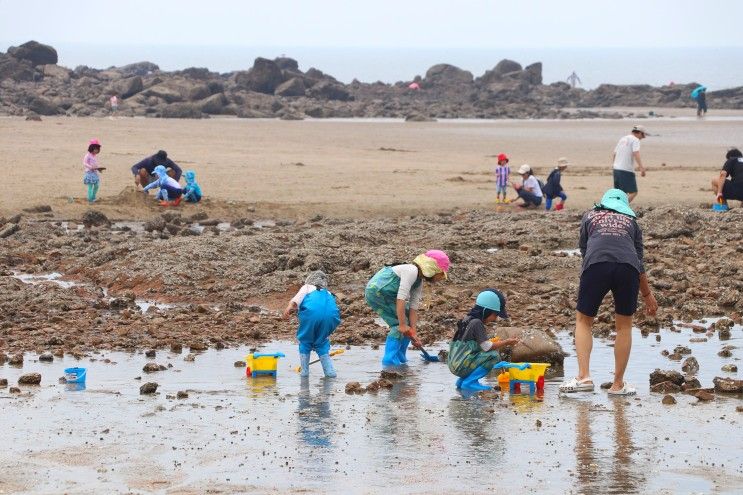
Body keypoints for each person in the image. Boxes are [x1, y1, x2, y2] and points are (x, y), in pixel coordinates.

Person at [559, 189, 658, 396]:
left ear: (603, 203)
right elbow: (639, 263)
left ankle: (584, 377)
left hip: (596, 265)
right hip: (628, 268)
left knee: (583, 321)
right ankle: (617, 385)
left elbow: (585, 251)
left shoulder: (590, 216)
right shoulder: (632, 223)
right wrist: (648, 296)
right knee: (624, 327)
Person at [365, 250, 450, 366]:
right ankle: (389, 360)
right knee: (397, 325)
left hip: (389, 295)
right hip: (377, 292)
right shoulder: (411, 271)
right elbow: (401, 299)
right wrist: (402, 325)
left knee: (408, 325)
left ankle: (400, 355)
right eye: (439, 275)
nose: (439, 279)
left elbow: (413, 308)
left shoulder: (418, 281)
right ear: (432, 268)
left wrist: (413, 331)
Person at [448, 289, 519, 391]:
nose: (495, 319)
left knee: (486, 353)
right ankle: (470, 382)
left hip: (454, 364)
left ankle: (462, 381)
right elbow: (486, 347)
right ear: (486, 311)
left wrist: (493, 342)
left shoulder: (467, 319)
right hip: (461, 366)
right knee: (493, 355)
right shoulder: (477, 323)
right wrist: (507, 342)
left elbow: (469, 345)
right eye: (495, 315)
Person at [283, 271, 341, 378]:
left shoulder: (307, 287)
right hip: (332, 317)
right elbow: (333, 307)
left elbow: (296, 301)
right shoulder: (328, 293)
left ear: (310, 280)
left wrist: (289, 307)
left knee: (305, 341)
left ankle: (304, 372)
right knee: (322, 342)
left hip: (312, 315)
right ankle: (330, 373)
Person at [611, 125, 649, 203]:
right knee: (633, 192)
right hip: (626, 170)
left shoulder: (623, 139)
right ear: (639, 133)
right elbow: (636, 153)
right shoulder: (635, 140)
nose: (643, 137)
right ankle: (621, 207)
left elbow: (614, 153)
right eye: (643, 135)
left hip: (616, 169)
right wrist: (641, 168)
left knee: (620, 193)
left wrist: (615, 165)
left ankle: (617, 208)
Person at [82, 139, 105, 203]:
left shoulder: (94, 156)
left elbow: (95, 165)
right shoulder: (88, 155)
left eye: (97, 149)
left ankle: (93, 197)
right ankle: (90, 199)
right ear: (91, 148)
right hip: (89, 173)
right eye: (95, 149)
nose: (96, 150)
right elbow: (84, 163)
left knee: (96, 185)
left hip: (95, 173)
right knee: (90, 186)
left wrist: (98, 169)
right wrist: (91, 167)